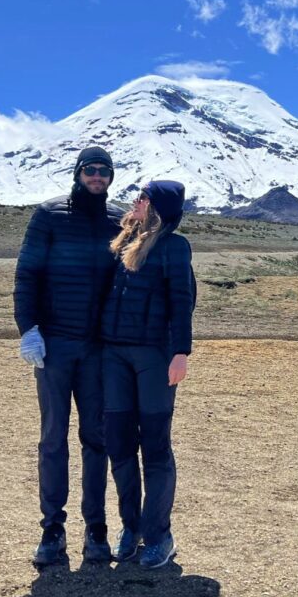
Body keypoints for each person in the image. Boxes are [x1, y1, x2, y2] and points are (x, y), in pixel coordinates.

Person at [13, 146, 124, 566]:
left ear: (111, 177)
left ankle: (96, 529)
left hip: (98, 349)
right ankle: (51, 530)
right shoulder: (48, 214)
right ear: (78, 173)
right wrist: (29, 330)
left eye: (104, 171)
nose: (97, 176)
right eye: (91, 170)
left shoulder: (117, 219)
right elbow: (27, 273)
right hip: (55, 346)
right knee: (53, 439)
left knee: (96, 439)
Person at [101, 180, 196, 569]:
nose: (136, 201)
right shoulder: (123, 241)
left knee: (155, 447)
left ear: (159, 208)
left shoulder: (174, 246)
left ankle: (160, 535)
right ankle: (131, 527)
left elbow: (182, 301)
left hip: (155, 358)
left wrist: (180, 353)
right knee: (120, 445)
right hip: (114, 356)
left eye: (145, 198)